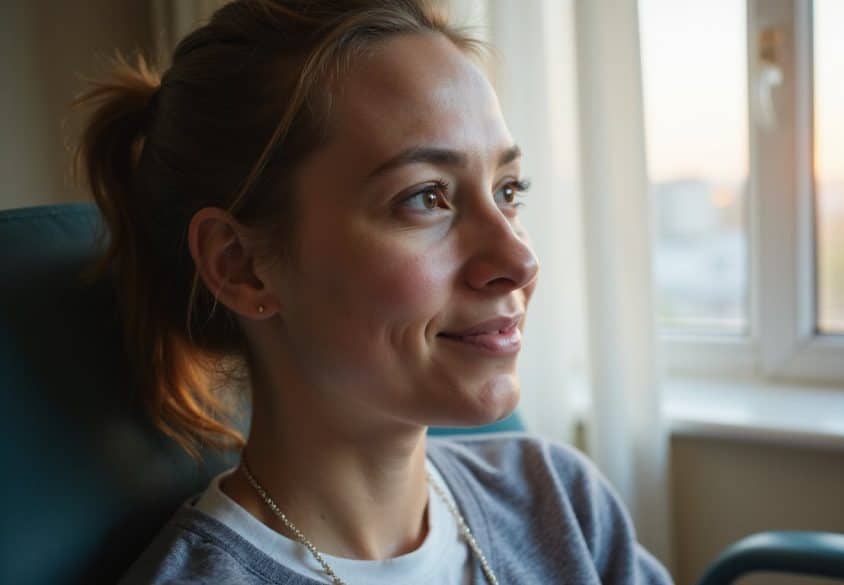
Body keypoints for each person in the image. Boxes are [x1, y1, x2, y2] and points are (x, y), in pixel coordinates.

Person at [77, 1, 673, 583]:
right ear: (241, 266)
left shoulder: (557, 503)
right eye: (425, 198)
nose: (519, 260)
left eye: (508, 190)